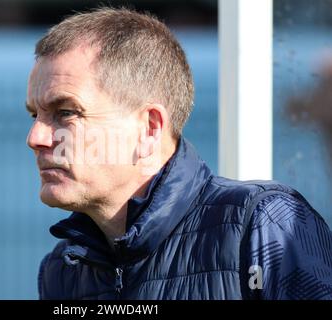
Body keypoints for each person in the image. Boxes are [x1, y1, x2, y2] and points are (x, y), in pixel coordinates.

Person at [25, 7, 332, 299]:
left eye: (65, 112)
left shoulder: (263, 226)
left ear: (149, 128)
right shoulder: (64, 269)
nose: (36, 137)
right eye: (34, 115)